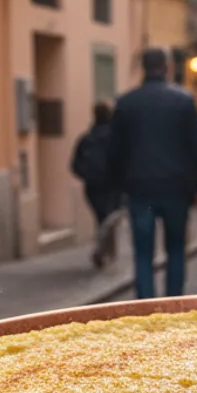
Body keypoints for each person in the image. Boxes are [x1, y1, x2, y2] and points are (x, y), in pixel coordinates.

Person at [107, 47, 197, 299]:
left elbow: (114, 150)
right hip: (176, 188)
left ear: (143, 67)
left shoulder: (126, 103)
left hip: (139, 189)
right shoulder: (183, 101)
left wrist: (118, 186)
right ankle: (173, 302)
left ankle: (144, 307)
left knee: (143, 253)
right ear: (167, 67)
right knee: (175, 249)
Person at [71, 101, 122, 268]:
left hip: (93, 186)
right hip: (113, 185)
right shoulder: (115, 137)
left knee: (102, 218)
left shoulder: (86, 139)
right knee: (110, 219)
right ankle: (105, 253)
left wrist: (87, 176)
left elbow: (74, 165)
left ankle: (106, 253)